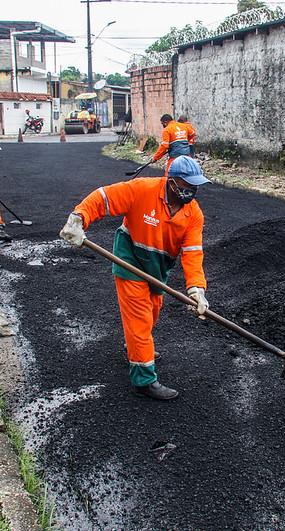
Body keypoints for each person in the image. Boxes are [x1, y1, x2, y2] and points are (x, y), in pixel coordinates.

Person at [59, 156, 211, 401]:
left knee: (152, 311)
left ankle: (136, 347)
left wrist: (196, 289)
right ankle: (144, 379)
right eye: (186, 186)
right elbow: (104, 197)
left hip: (158, 267)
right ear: (171, 182)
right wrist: (79, 219)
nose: (191, 191)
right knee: (139, 318)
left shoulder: (193, 214)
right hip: (129, 257)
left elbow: (193, 252)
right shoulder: (143, 189)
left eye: (195, 187)